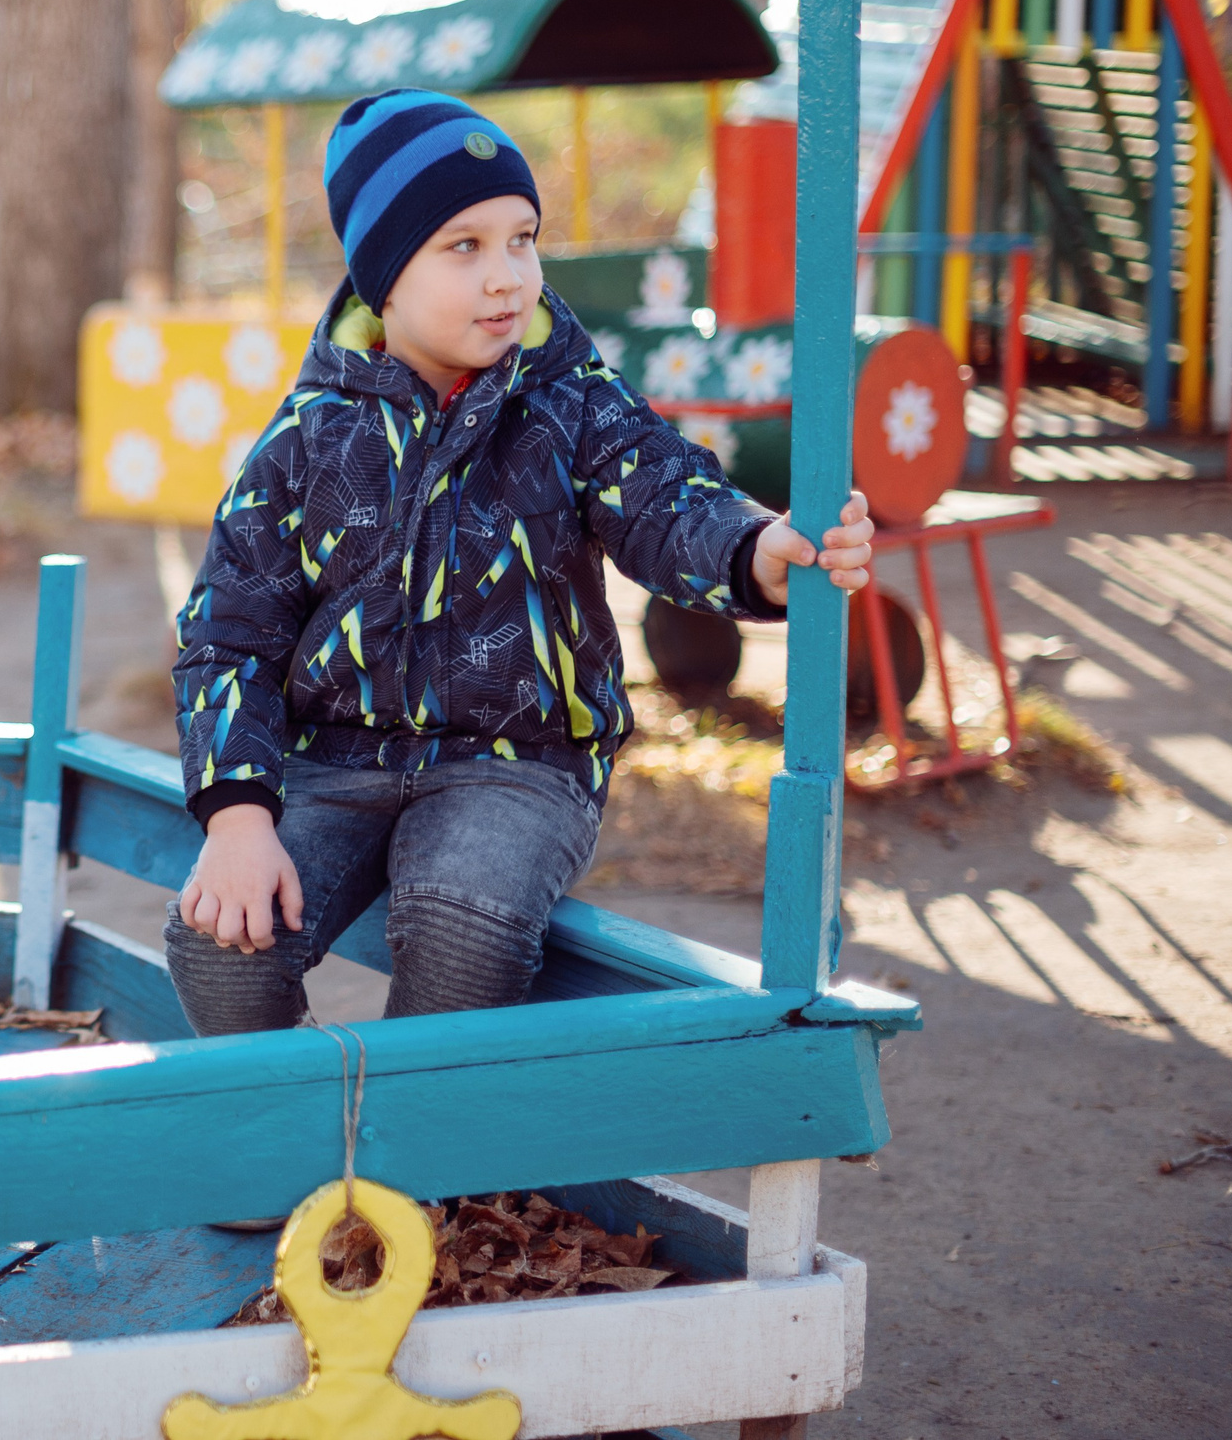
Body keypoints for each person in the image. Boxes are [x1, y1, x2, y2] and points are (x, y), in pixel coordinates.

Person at [166, 89, 871, 1035]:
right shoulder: (309, 435)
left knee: (464, 924)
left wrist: (754, 551)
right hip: (331, 759)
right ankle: (277, 1149)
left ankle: (409, 1167)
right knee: (220, 940)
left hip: (518, 762)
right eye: (464, 246)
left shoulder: (568, 402)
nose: (507, 277)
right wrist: (238, 815)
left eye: (523, 238)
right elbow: (227, 633)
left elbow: (663, 496)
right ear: (383, 274)